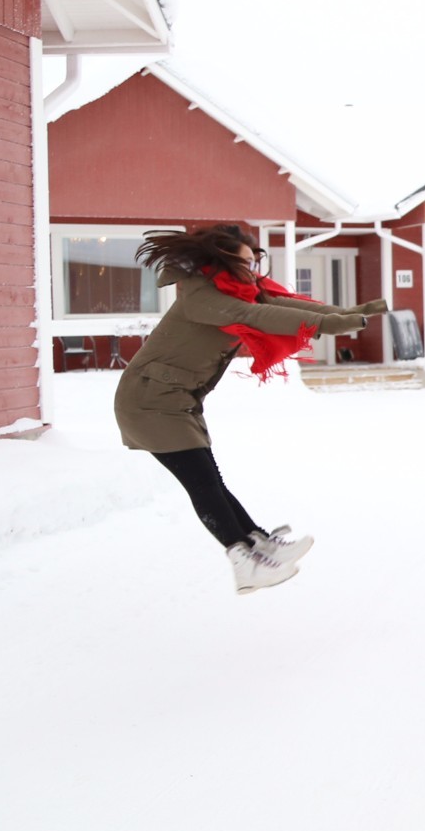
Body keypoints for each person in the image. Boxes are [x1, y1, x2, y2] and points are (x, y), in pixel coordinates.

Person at [114, 224, 385, 594]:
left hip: (173, 398)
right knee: (203, 484)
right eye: (244, 261)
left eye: (253, 258)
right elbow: (257, 316)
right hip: (148, 402)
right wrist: (325, 323)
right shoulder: (203, 298)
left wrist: (344, 313)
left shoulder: (233, 289)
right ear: (222, 262)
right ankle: (244, 563)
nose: (252, 267)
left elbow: (275, 303)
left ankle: (258, 543)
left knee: (212, 480)